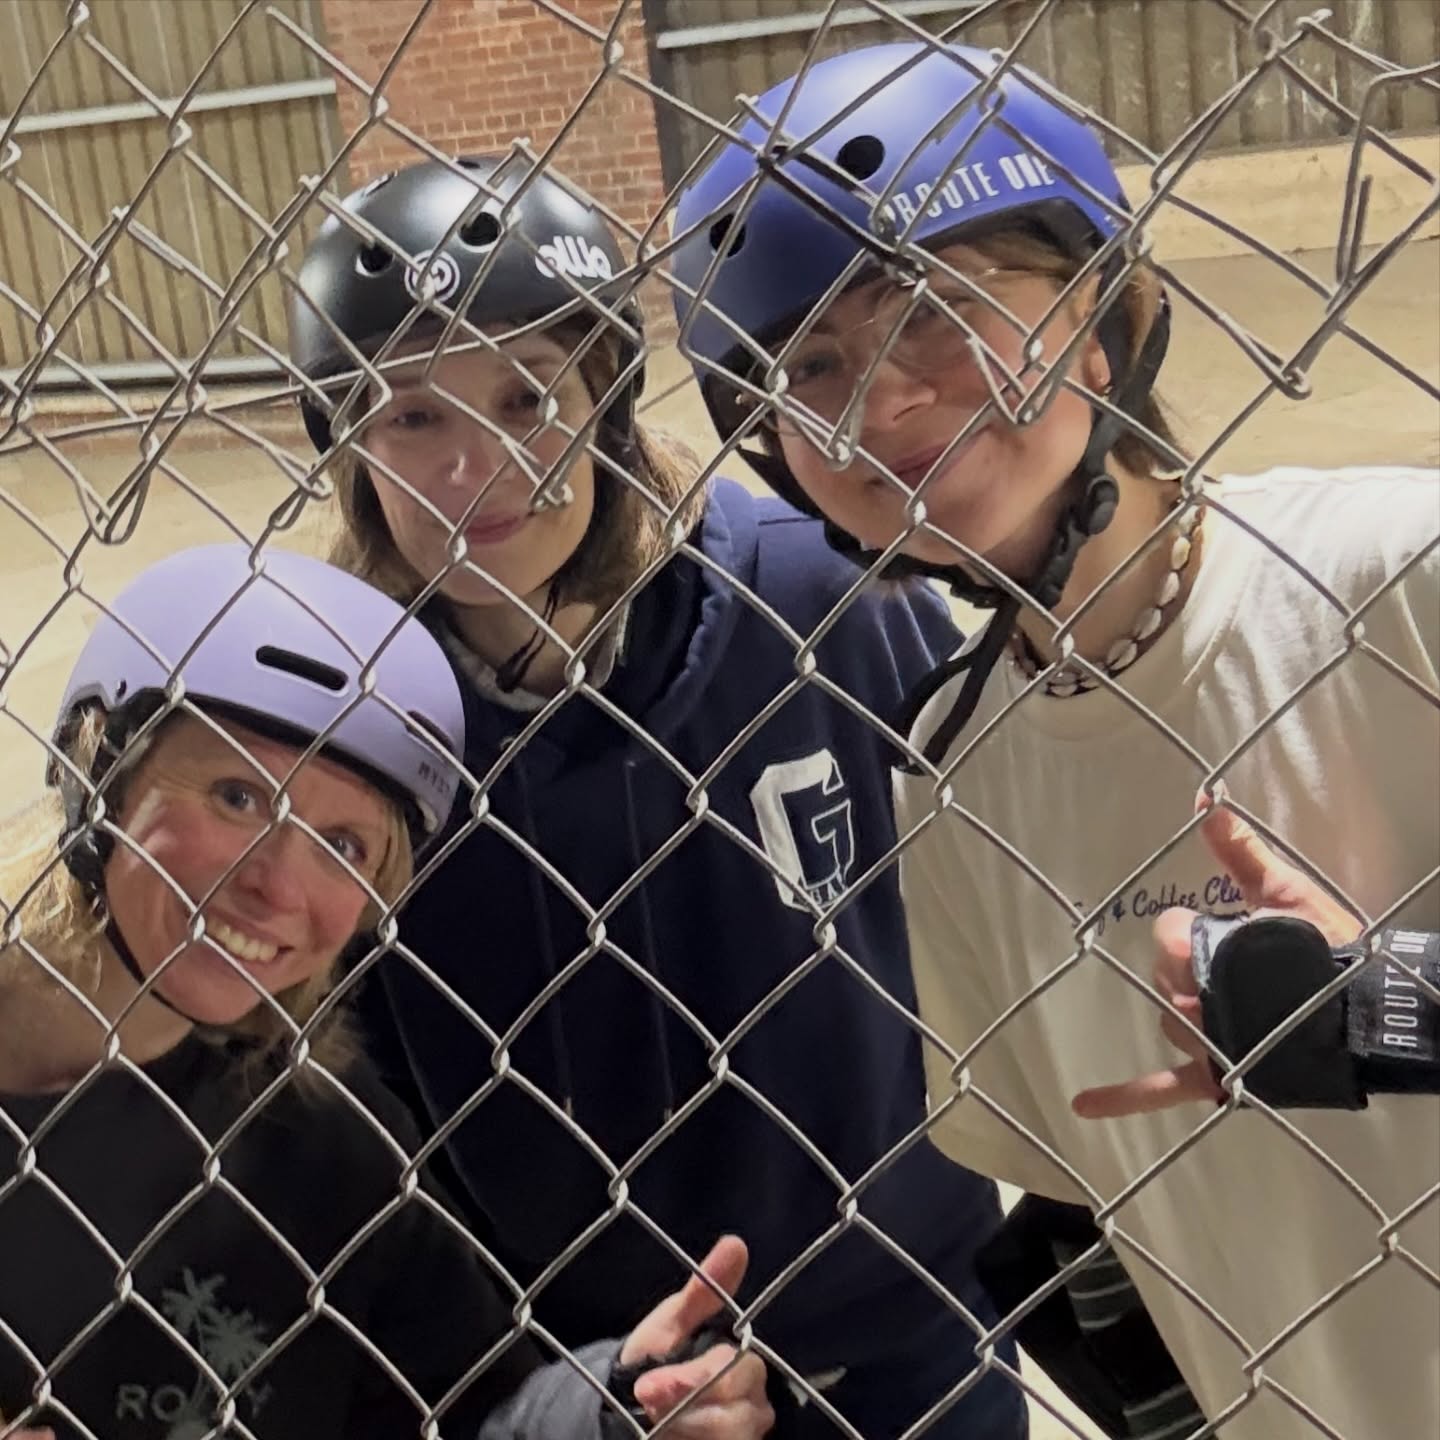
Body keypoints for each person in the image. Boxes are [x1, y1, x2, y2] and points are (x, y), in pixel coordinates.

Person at [669, 37, 1439, 1440]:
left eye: (940, 314)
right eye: (810, 365)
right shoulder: (953, 775)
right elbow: (1090, 1203)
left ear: (1110, 317)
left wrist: (1399, 1011)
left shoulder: (1397, 575)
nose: (879, 403)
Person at [286, 153, 1026, 1437]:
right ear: (345, 439)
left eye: (530, 395)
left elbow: (997, 898)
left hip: (898, 1334)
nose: (476, 469)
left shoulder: (817, 596)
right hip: (591, 1375)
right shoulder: (338, 711)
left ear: (609, 401)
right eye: (411, 416)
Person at [0, 545, 773, 1440]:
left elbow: (477, 1405)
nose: (278, 887)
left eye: (343, 846)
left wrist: (613, 1408)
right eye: (236, 796)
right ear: (99, 776)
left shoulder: (315, 1133)